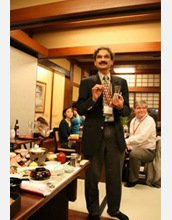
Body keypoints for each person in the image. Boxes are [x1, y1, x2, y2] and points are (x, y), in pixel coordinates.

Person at [76, 47, 131, 220]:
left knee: (115, 176)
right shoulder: (87, 82)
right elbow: (79, 108)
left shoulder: (121, 82)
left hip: (115, 134)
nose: (103, 59)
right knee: (92, 177)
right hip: (94, 135)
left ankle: (113, 209)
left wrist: (121, 107)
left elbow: (128, 110)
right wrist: (92, 99)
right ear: (95, 62)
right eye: (99, 57)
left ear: (112, 61)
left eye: (106, 57)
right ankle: (93, 211)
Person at [124, 100, 156, 187]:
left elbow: (142, 138)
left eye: (143, 108)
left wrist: (127, 142)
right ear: (134, 110)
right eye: (138, 108)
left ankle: (133, 180)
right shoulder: (133, 120)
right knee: (119, 151)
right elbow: (133, 136)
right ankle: (122, 176)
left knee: (134, 155)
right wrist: (128, 146)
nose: (141, 110)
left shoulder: (150, 121)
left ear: (146, 109)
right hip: (135, 147)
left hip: (148, 150)